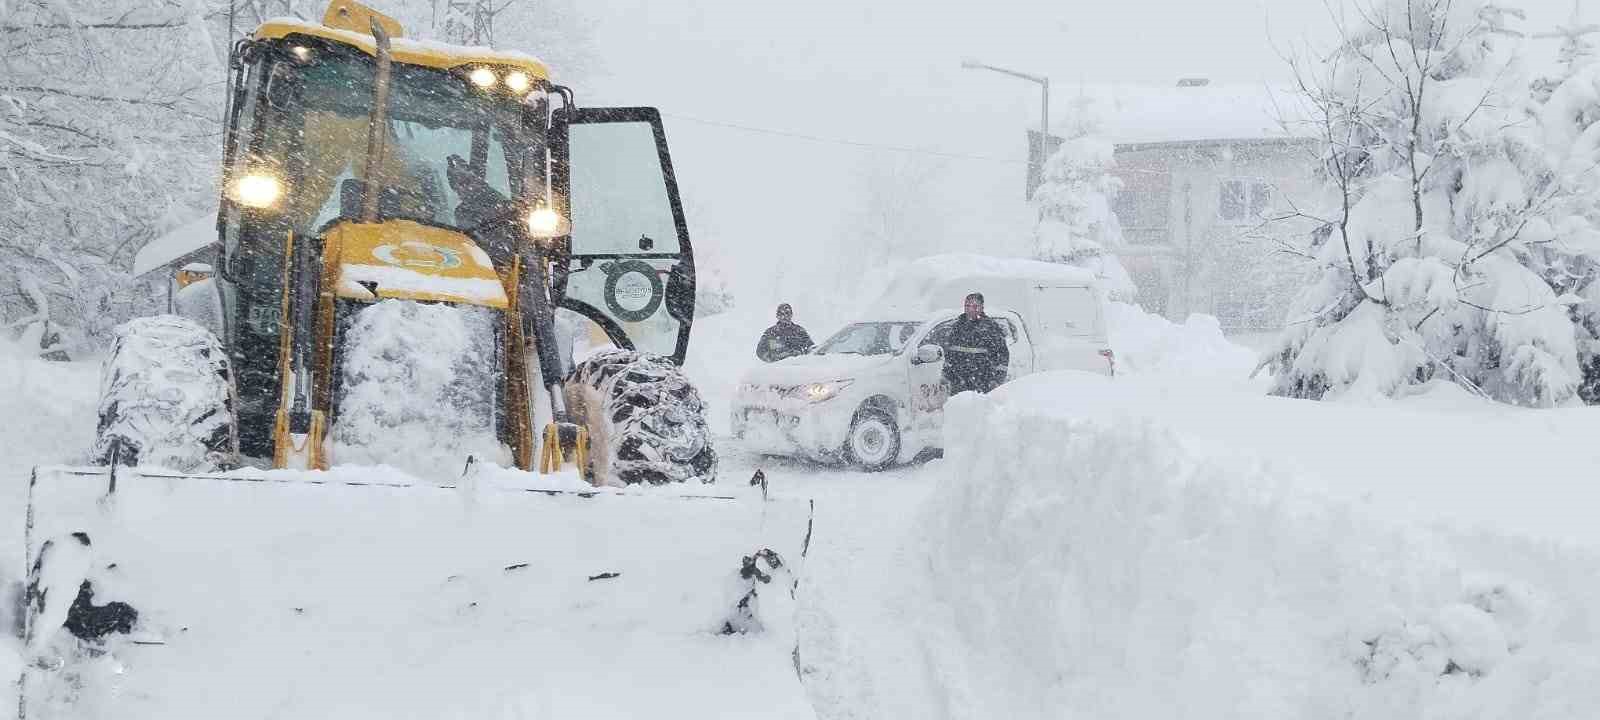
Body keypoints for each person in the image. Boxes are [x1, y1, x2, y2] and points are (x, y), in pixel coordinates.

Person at [942, 292, 1009, 394]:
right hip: (958, 384)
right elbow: (949, 353)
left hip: (982, 383)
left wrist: (996, 380)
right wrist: (948, 375)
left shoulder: (991, 328)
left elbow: (1002, 355)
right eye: (967, 306)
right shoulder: (957, 326)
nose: (970, 309)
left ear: (981, 307)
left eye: (974, 306)